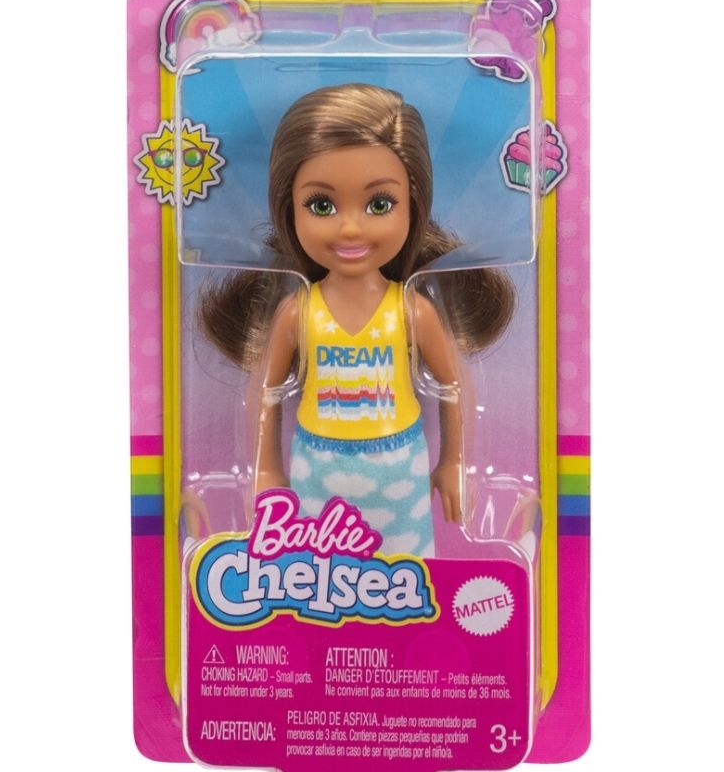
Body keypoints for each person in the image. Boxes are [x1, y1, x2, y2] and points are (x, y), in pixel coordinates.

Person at [199, 83, 513, 557]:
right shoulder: (298, 310)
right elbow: (265, 391)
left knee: (408, 568)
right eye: (321, 206)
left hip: (399, 465)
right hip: (316, 465)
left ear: (413, 205)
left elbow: (453, 385)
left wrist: (454, 463)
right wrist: (266, 469)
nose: (350, 227)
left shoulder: (410, 310)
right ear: (290, 207)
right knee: (320, 572)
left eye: (379, 204)